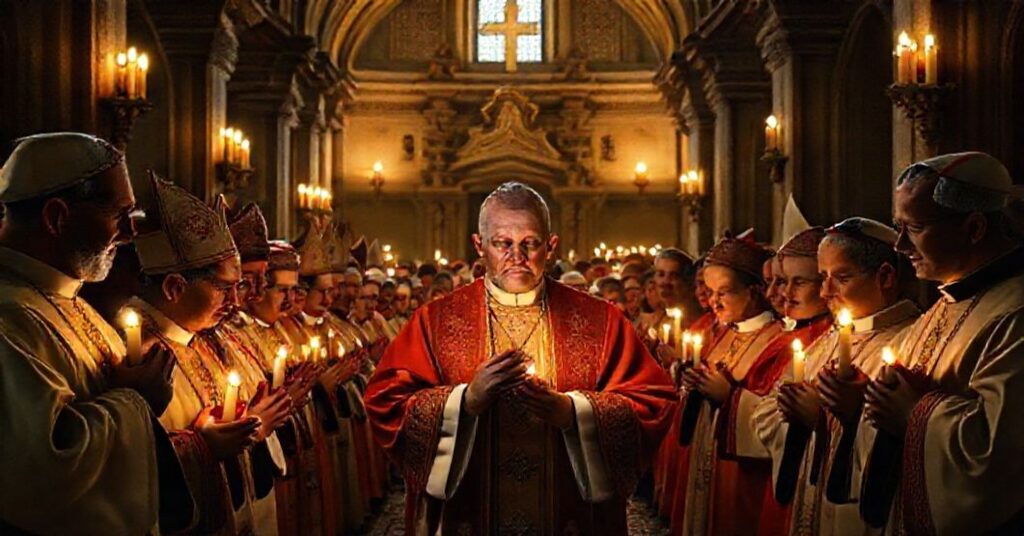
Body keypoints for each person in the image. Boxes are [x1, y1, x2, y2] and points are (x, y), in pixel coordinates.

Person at [365, 182, 675, 534]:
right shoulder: (436, 320)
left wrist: (572, 413)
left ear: (551, 245)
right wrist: (464, 402)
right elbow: (386, 401)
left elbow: (654, 401)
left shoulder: (599, 320)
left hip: (566, 513)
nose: (517, 256)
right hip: (471, 512)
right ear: (479, 246)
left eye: (530, 243)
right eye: (503, 244)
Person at [0, 132, 180, 535]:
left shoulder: (74, 300)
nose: (130, 234)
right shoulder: (9, 315)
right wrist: (137, 399)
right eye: (120, 215)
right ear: (57, 217)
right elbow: (44, 469)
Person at [861, 152, 1024, 534]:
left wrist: (913, 414)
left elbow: (998, 456)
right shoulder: (943, 305)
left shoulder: (1014, 313)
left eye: (914, 228)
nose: (899, 245)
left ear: (974, 228)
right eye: (897, 227)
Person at [131, 176, 289, 534]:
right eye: (225, 289)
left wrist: (248, 425)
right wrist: (202, 447)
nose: (236, 303)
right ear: (174, 286)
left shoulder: (201, 338)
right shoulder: (131, 353)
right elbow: (123, 465)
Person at [753, 217, 919, 536]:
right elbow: (766, 411)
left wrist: (823, 417)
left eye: (841, 277)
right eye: (822, 277)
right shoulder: (827, 341)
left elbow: (900, 437)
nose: (826, 291)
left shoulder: (906, 342)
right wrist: (792, 410)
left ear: (885, 276)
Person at [676, 232, 783, 535]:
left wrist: (730, 396)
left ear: (754, 292)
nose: (713, 302)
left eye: (724, 292)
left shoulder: (777, 340)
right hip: (708, 450)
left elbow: (771, 411)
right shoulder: (723, 331)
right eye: (710, 292)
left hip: (743, 469)